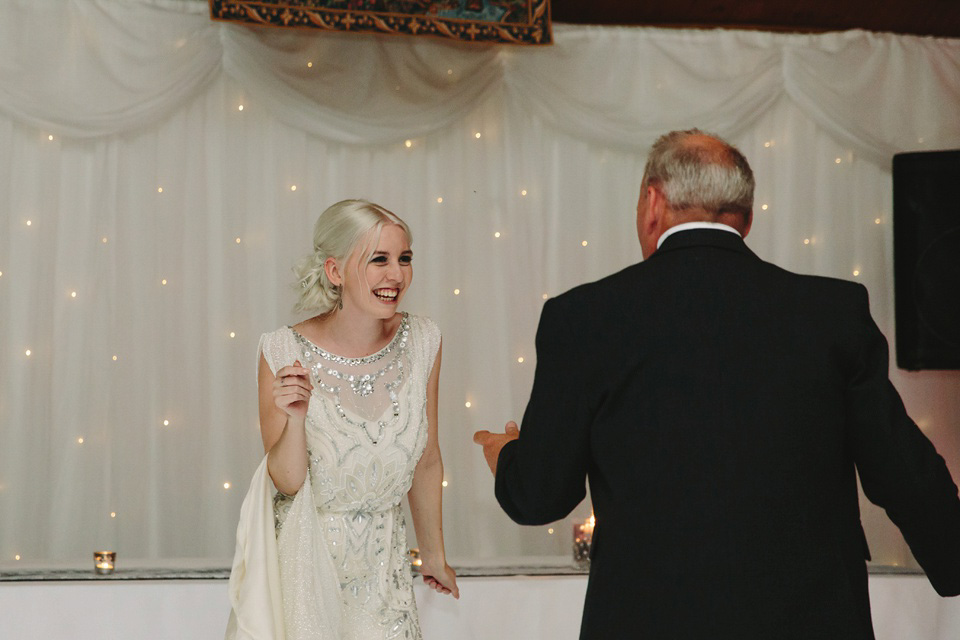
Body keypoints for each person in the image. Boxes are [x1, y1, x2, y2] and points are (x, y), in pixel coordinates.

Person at [473, 130, 960, 639]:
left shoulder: (584, 317)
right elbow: (901, 470)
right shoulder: (830, 313)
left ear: (652, 202)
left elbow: (540, 495)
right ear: (746, 218)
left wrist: (507, 455)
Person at [227, 199, 458, 640]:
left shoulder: (425, 339)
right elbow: (288, 484)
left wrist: (433, 556)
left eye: (404, 259)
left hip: (385, 584)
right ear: (335, 272)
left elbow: (427, 459)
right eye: (379, 260)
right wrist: (295, 419)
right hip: (308, 576)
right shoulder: (281, 351)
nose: (396, 275)